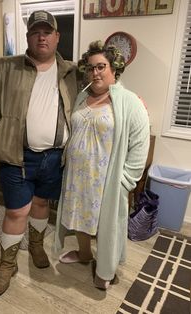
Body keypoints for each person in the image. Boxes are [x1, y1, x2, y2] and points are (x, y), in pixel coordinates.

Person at [0, 10, 78, 297]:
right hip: (16, 156)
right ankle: (7, 266)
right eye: (36, 31)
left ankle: (36, 246)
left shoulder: (72, 71)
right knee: (15, 211)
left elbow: (102, 84)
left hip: (54, 158)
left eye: (47, 31)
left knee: (40, 205)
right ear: (28, 36)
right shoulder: (7, 67)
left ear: (57, 37)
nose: (42, 36)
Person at [54, 40, 150, 290]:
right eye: (90, 67)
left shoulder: (130, 102)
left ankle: (106, 266)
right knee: (80, 217)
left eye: (101, 67)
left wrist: (126, 181)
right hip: (77, 175)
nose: (95, 72)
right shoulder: (83, 97)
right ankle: (85, 254)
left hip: (107, 179)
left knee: (107, 225)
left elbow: (140, 145)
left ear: (114, 69)